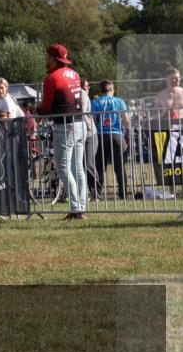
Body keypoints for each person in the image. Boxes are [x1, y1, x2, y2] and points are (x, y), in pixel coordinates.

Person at [36, 44, 87, 220]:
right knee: (77, 167)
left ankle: (76, 209)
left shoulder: (51, 78)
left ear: (53, 58)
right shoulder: (75, 74)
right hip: (80, 123)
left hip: (64, 126)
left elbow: (47, 108)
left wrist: (38, 111)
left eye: (46, 56)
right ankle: (81, 206)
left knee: (63, 167)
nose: (45, 59)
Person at [92, 80, 130, 200]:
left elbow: (92, 119)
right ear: (112, 90)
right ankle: (123, 194)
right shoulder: (119, 101)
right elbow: (126, 120)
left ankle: (97, 195)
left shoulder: (95, 102)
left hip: (100, 135)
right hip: (116, 135)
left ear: (100, 90)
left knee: (99, 167)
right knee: (119, 167)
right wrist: (127, 133)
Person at [80, 78, 100, 199]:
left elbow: (83, 113)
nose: (89, 88)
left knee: (88, 164)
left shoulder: (83, 94)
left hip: (89, 134)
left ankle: (96, 193)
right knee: (84, 165)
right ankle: (88, 193)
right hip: (85, 133)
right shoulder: (82, 93)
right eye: (87, 86)